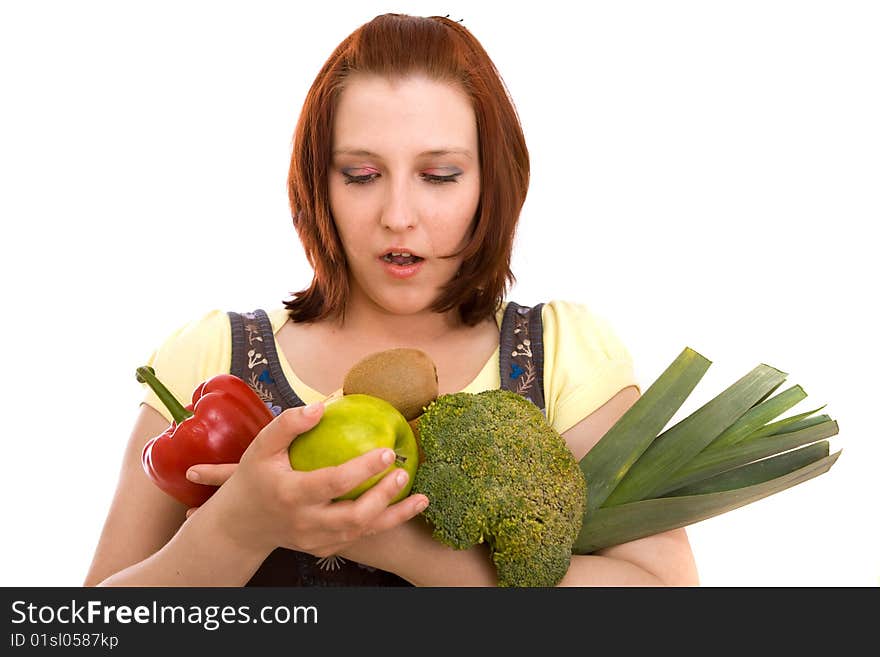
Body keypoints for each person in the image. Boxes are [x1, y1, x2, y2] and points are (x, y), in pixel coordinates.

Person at [84, 13, 699, 587]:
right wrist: (238, 526)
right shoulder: (212, 355)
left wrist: (381, 539)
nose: (398, 217)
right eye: (361, 174)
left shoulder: (562, 352)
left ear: (493, 181)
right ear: (317, 181)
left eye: (439, 176)